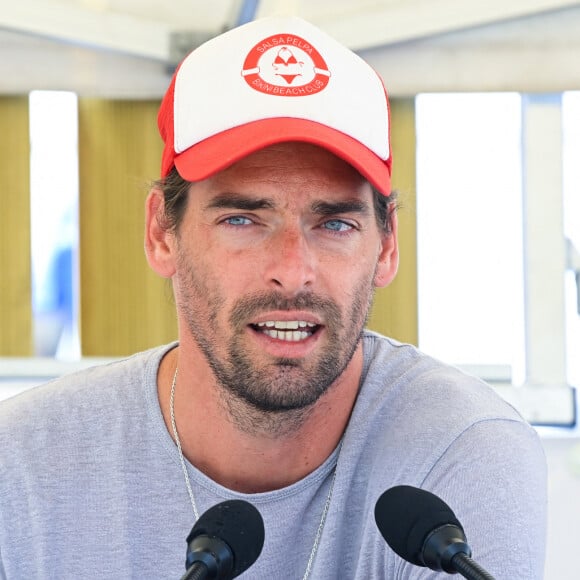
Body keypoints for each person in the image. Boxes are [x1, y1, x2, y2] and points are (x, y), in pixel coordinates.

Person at [0, 16, 546, 579]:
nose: (292, 271)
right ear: (162, 233)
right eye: (242, 219)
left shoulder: (461, 453)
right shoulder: (23, 469)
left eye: (334, 224)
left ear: (386, 248)